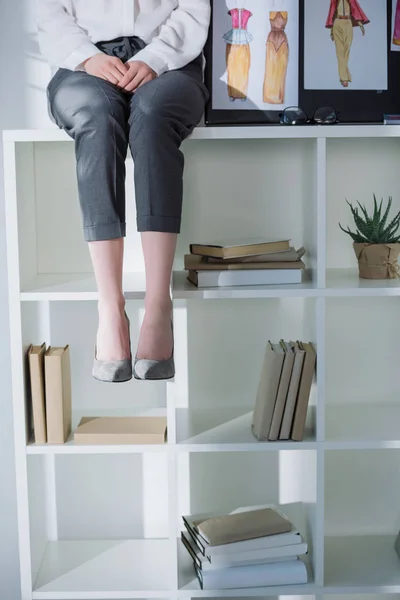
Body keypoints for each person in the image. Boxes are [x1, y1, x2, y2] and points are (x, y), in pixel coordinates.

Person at [36, 1, 211, 382]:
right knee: (97, 118)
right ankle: (110, 308)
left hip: (172, 62)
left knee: (151, 118)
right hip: (82, 66)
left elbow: (195, 8)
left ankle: (157, 303)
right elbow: (50, 12)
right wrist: (87, 58)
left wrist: (156, 57)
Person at [326, 0, 369, 88]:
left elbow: (355, 9)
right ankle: (344, 78)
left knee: (346, 51)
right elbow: (332, 12)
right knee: (339, 52)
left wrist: (360, 24)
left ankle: (346, 75)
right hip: (337, 23)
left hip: (348, 23)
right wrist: (331, 30)